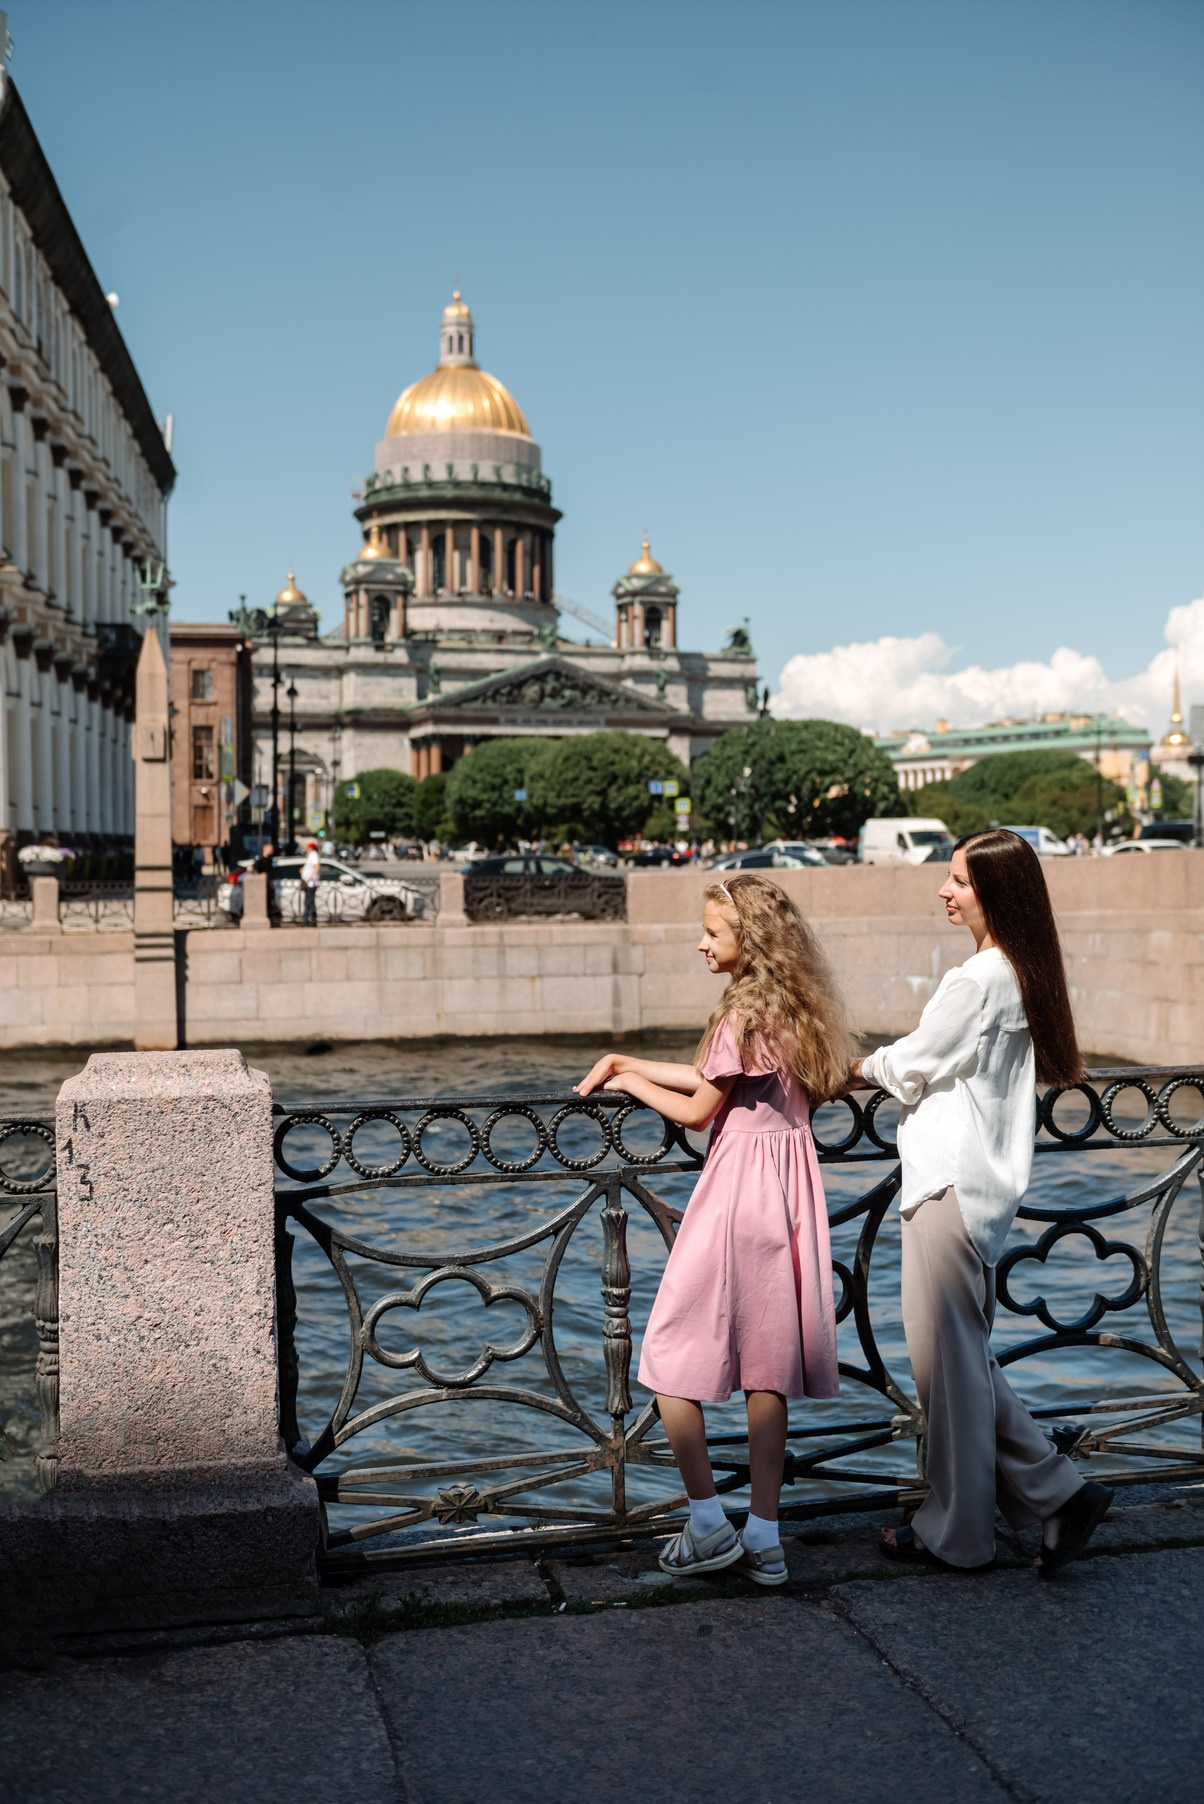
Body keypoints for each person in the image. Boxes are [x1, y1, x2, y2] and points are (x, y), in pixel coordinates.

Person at [576, 873, 854, 1585]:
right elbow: (718, 1077)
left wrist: (624, 1083)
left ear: (748, 941)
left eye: (712, 933)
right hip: (790, 1194)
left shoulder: (741, 1014)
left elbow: (702, 1108)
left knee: (667, 1351)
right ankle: (764, 1537)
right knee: (768, 1371)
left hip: (736, 1194)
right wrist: (628, 1058)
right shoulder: (794, 1008)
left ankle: (706, 1522)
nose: (701, 944)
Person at [850, 829, 1113, 1575]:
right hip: (984, 1191)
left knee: (947, 1369)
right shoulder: (1021, 972)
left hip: (945, 1185)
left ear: (995, 893)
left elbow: (915, 1060)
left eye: (959, 880)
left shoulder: (978, 979)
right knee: (964, 1363)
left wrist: (852, 1067)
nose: (944, 890)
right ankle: (1058, 1494)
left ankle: (959, 1534)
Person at [300, 839, 321, 926]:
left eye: (308, 848)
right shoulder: (312, 855)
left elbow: (317, 866)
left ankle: (307, 919)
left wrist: (314, 876)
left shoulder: (313, 855)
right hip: (309, 882)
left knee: (309, 902)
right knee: (310, 902)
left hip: (311, 883)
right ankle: (312, 919)